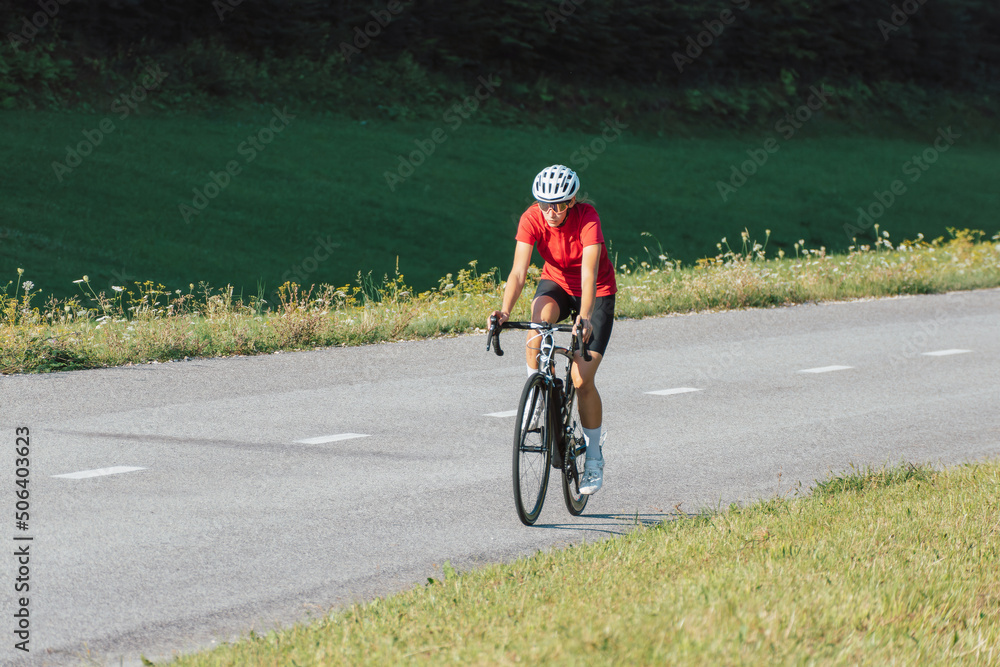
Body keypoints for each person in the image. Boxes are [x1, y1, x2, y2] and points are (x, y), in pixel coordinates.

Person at [488, 165, 617, 495]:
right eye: (544, 204)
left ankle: (594, 458)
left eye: (558, 205)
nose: (551, 212)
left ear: (571, 201)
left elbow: (589, 275)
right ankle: (539, 395)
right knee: (537, 323)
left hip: (596, 292)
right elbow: (518, 273)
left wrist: (584, 316)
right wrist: (504, 311)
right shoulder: (531, 218)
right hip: (556, 283)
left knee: (581, 378)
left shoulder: (588, 218)